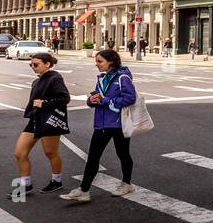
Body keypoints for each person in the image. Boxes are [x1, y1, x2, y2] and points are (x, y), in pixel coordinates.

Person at [61, 49, 137, 203]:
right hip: (102, 123)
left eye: (100, 61)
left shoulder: (122, 77)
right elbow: (97, 96)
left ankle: (127, 183)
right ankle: (84, 190)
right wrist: (91, 101)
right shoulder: (102, 78)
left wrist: (107, 101)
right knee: (93, 156)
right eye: (96, 61)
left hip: (118, 123)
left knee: (123, 154)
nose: (97, 65)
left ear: (111, 62)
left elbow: (130, 98)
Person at [15, 52, 70, 196]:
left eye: (36, 64)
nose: (33, 67)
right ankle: (26, 185)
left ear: (47, 64)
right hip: (34, 120)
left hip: (48, 120)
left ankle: (56, 181)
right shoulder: (37, 81)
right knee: (20, 153)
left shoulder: (55, 78)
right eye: (31, 64)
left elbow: (65, 98)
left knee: (50, 153)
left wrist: (44, 103)